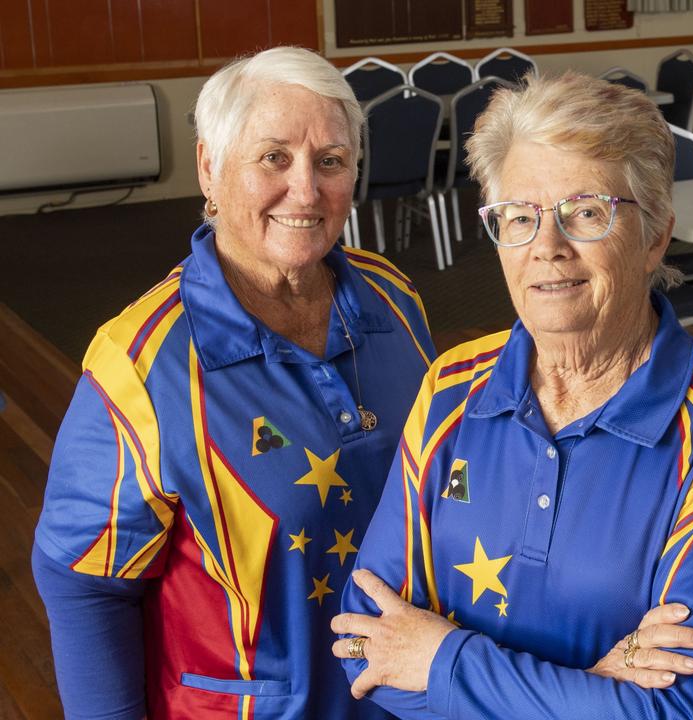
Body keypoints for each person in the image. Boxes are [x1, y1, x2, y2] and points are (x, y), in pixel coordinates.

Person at [330, 72, 693, 720]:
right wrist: (596, 689)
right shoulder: (449, 389)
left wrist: (440, 659)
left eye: (587, 212)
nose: (547, 247)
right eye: (519, 217)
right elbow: (361, 641)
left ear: (655, 234)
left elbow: (676, 709)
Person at [32, 47, 435, 718]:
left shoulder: (395, 300)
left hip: (410, 701)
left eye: (331, 161)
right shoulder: (140, 362)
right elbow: (83, 583)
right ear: (209, 169)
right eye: (273, 158)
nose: (305, 191)